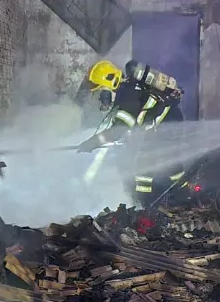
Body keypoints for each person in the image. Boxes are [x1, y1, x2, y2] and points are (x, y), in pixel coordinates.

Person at [77, 60, 186, 205]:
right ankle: (183, 193)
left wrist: (92, 143)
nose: (103, 98)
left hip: (167, 123)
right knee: (165, 160)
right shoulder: (129, 89)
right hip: (168, 121)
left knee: (146, 163)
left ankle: (146, 203)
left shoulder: (127, 95)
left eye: (103, 92)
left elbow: (118, 131)